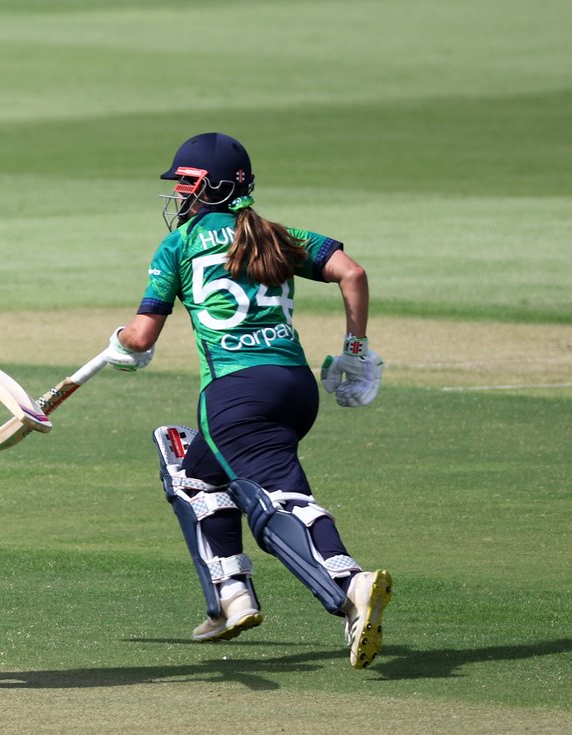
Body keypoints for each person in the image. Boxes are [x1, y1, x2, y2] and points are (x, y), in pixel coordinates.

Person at [100, 132, 392, 669]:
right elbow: (353, 273)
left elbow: (141, 338)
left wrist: (121, 342)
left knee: (280, 499)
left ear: (212, 186)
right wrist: (354, 351)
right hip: (295, 387)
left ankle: (351, 583)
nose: (179, 194)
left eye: (186, 182)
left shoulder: (179, 245)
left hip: (235, 395)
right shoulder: (278, 235)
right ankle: (231, 596)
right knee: (193, 472)